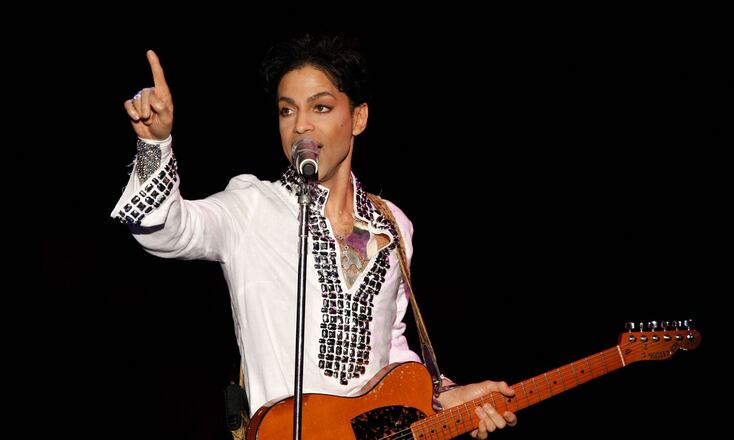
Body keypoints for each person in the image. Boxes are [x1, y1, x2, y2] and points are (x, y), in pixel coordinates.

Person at [111, 33, 517, 438]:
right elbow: (164, 229)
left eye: (320, 108)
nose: (301, 125)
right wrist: (153, 144)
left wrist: (445, 394)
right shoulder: (252, 206)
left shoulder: (393, 224)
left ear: (358, 118)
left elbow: (388, 347)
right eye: (287, 111)